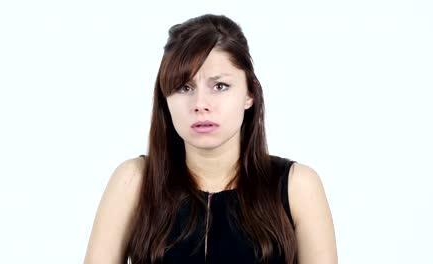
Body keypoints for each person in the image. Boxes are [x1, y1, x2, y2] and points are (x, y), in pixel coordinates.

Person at [84, 14, 337, 264]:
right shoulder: (133, 181)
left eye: (220, 86)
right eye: (184, 87)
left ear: (250, 93)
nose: (201, 104)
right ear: (165, 98)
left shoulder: (298, 187)